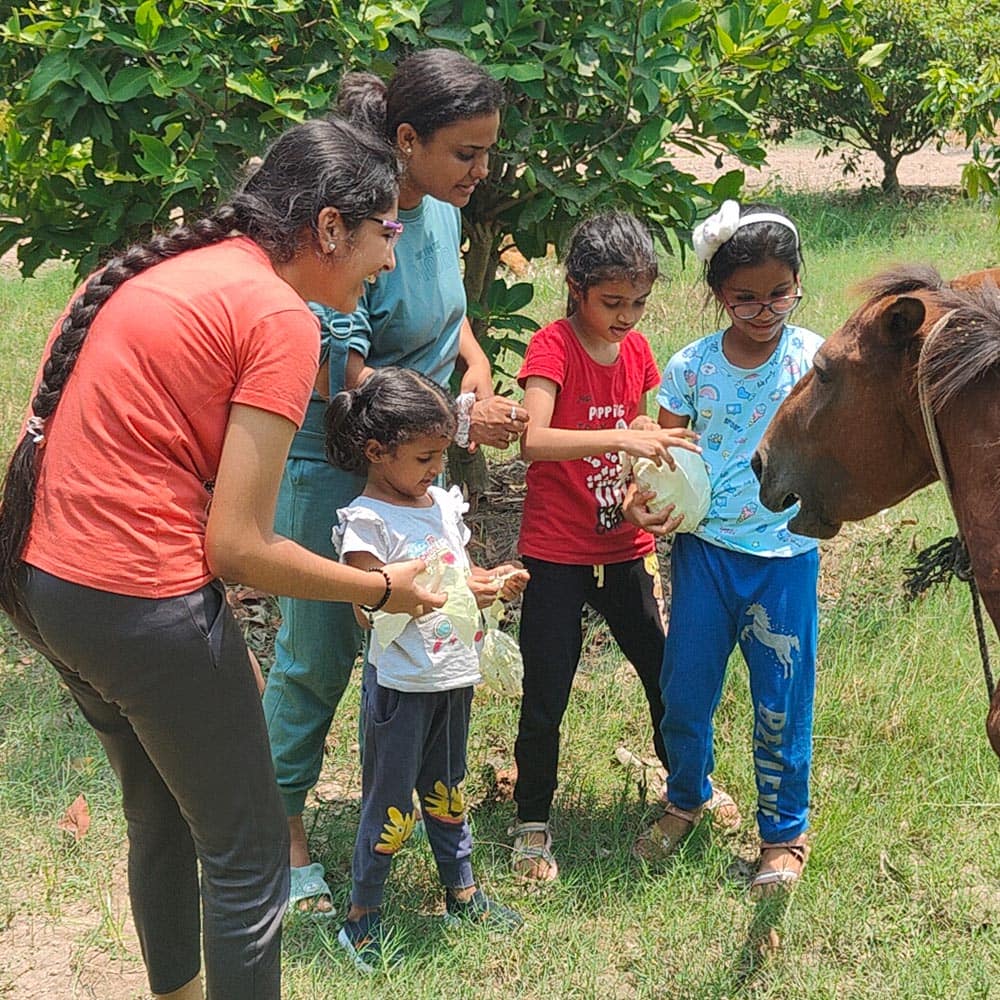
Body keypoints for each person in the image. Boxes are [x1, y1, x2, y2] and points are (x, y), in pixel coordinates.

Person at [0, 117, 446, 1000]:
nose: (389, 260)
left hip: (46, 586)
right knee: (247, 861)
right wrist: (381, 586)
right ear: (328, 226)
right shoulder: (280, 316)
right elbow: (239, 545)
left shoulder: (155, 272)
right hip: (139, 599)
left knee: (160, 813)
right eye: (385, 231)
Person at [262, 47, 528, 917]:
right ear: (405, 140)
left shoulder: (444, 216)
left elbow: (453, 326)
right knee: (320, 655)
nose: (480, 173)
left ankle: (434, 822)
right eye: (465, 154)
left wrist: (480, 381)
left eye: (489, 153)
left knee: (431, 631)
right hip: (336, 467)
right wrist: (455, 420)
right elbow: (343, 380)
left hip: (419, 466)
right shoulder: (358, 223)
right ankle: (281, 835)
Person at [631, 200, 823, 896]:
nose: (763, 308)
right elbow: (663, 453)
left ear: (798, 284)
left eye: (779, 292)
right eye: (744, 297)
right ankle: (688, 797)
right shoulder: (690, 367)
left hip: (786, 560)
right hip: (705, 554)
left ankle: (783, 835)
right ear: (718, 295)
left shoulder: (815, 359)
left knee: (782, 701)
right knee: (685, 692)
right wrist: (644, 501)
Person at [508, 212, 702, 883]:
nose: (626, 317)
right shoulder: (552, 348)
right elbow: (533, 439)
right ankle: (532, 820)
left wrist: (641, 456)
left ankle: (687, 789)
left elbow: (637, 436)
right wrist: (623, 437)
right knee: (547, 689)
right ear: (576, 288)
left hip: (625, 547)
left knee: (664, 672)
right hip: (555, 551)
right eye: (613, 302)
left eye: (639, 303)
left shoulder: (639, 354)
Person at [325, 367, 528, 971]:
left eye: (441, 455)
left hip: (452, 677)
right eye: (424, 457)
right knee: (390, 802)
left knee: (447, 789)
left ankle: (462, 891)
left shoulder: (439, 504)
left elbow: (458, 574)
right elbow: (365, 607)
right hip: (402, 687)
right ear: (376, 452)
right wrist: (398, 595)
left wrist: (486, 585)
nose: (435, 468)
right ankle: (362, 916)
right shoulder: (368, 521)